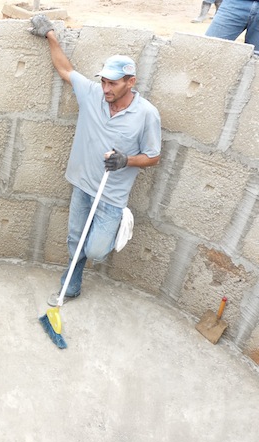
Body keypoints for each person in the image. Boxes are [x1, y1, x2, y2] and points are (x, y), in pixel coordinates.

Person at [29, 15, 162, 306]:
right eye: (103, 81)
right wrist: (50, 35)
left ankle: (117, 225)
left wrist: (126, 160)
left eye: (113, 84)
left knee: (97, 250)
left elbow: (153, 156)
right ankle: (71, 286)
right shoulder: (92, 94)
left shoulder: (146, 114)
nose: (106, 89)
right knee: (75, 241)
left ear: (131, 81)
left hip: (112, 196)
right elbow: (66, 70)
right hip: (83, 185)